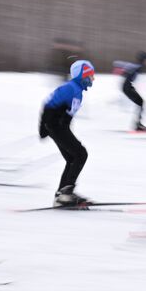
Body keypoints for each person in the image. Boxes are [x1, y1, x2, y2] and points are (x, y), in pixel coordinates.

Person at [40, 60, 96, 206]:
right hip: (54, 126)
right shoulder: (70, 88)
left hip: (57, 127)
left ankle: (62, 194)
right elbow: (48, 104)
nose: (93, 79)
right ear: (82, 76)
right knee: (81, 154)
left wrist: (57, 125)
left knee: (73, 158)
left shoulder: (76, 90)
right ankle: (65, 193)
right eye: (90, 75)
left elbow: (67, 115)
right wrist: (45, 126)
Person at [115, 52, 146, 132]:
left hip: (127, 87)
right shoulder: (138, 66)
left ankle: (138, 124)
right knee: (141, 102)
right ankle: (138, 125)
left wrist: (122, 69)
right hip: (127, 87)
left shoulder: (136, 66)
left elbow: (124, 68)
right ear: (144, 60)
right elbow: (123, 67)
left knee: (141, 103)